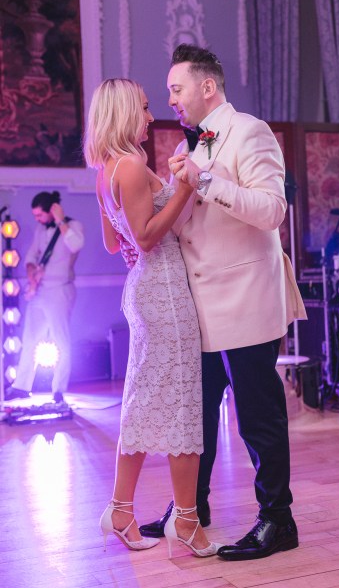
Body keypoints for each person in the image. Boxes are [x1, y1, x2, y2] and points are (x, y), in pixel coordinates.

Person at [135, 43, 307, 562]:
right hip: (201, 312)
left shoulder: (250, 131)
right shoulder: (198, 145)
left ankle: (279, 519)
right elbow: (191, 226)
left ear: (207, 87)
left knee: (258, 419)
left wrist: (204, 179)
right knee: (198, 418)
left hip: (245, 302)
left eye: (176, 89)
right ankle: (192, 510)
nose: (171, 100)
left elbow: (272, 210)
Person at [83, 78, 221, 557]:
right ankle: (186, 521)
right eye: (142, 108)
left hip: (141, 290)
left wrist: (138, 238)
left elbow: (113, 243)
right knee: (183, 403)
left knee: (141, 400)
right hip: (163, 292)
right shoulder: (134, 165)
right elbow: (144, 238)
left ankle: (121, 509)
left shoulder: (105, 170)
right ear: (123, 112)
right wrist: (183, 189)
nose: (148, 116)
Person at [4, 191, 84, 403]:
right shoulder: (40, 229)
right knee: (30, 337)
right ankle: (22, 386)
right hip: (39, 290)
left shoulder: (73, 226)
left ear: (51, 210)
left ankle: (58, 390)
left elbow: (76, 245)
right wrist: (31, 270)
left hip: (60, 289)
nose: (37, 219)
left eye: (40, 215)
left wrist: (60, 221)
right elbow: (31, 255)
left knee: (61, 340)